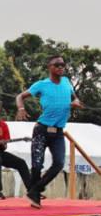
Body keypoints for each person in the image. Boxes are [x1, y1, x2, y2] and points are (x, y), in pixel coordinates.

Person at [16, 55, 84, 208]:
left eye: (63, 65)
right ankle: (35, 198)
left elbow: (75, 98)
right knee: (37, 165)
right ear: (50, 67)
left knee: (59, 163)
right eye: (57, 65)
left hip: (58, 132)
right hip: (42, 130)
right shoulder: (42, 84)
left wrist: (76, 103)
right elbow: (20, 96)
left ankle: (35, 190)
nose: (61, 67)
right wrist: (21, 108)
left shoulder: (67, 82)